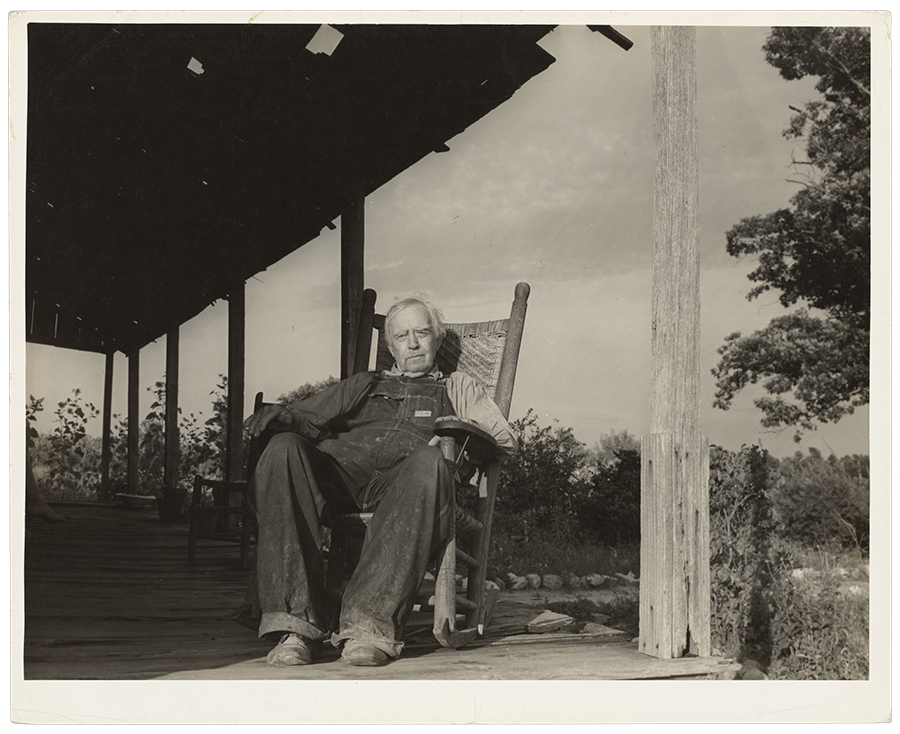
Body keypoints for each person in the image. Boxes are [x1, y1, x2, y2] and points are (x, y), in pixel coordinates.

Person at [242, 295, 516, 667]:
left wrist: (455, 433)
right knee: (282, 448)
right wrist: (285, 418)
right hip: (341, 476)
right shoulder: (364, 383)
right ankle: (295, 628)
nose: (414, 343)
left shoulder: (458, 385)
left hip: (406, 486)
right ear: (391, 347)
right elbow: (304, 417)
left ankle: (368, 627)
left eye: (422, 333)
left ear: (437, 339)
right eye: (402, 336)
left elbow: (504, 438)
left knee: (429, 462)